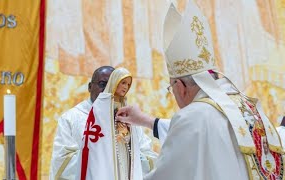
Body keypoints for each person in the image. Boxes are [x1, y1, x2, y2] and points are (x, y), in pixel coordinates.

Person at [116, 1, 284, 180]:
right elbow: (205, 132)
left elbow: (167, 173)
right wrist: (145, 120)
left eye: (170, 87)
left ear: (180, 87)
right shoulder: (247, 107)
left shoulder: (192, 117)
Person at [50, 66, 156, 180]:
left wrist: (127, 156)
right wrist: (102, 156)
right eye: (103, 84)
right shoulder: (71, 118)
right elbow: (62, 161)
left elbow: (148, 157)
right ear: (90, 87)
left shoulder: (128, 119)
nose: (108, 89)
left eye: (113, 84)